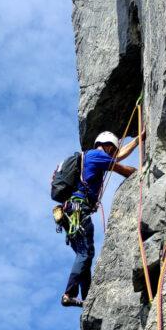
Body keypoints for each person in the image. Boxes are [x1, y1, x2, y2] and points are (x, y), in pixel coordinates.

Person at [61, 129, 144, 308]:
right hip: (79, 210)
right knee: (85, 254)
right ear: (107, 147)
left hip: (71, 212)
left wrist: (137, 141)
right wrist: (142, 172)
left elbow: (117, 157)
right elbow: (123, 169)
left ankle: (88, 298)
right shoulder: (97, 155)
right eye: (112, 151)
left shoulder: (91, 156)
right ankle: (68, 294)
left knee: (85, 255)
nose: (113, 154)